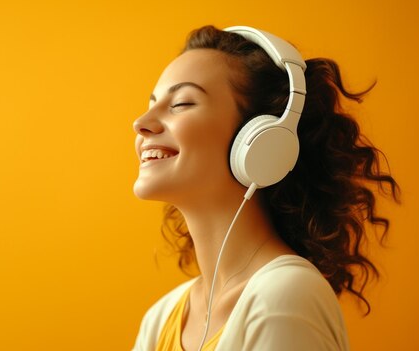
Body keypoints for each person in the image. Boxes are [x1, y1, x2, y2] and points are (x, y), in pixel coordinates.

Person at [131, 25, 399, 351]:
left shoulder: (285, 297)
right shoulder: (161, 318)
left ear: (260, 142)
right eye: (152, 102)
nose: (141, 122)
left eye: (182, 103)